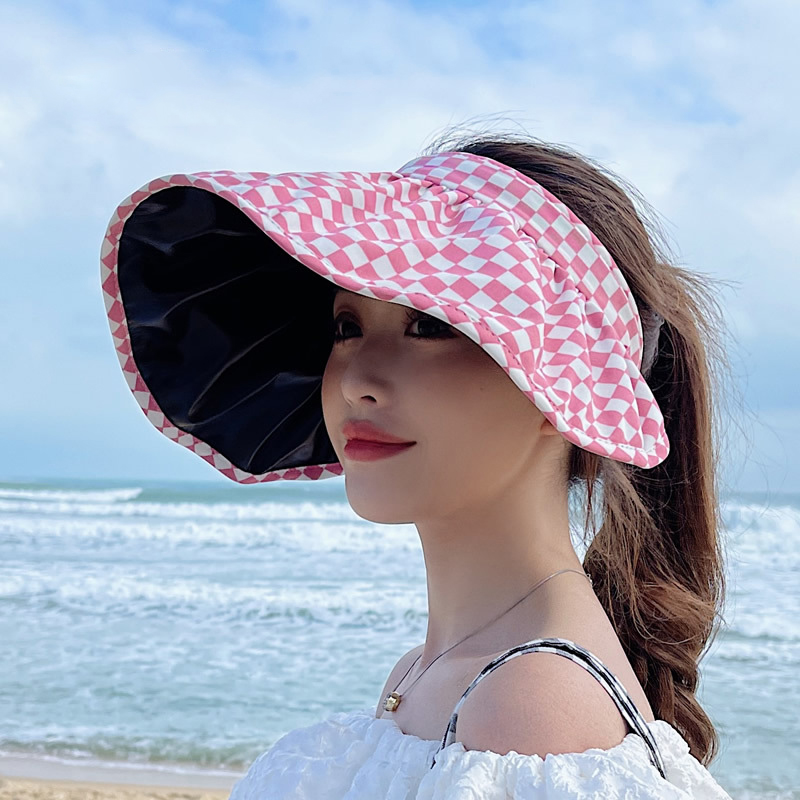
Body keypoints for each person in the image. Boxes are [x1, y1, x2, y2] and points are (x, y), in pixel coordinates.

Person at [100, 130, 735, 798]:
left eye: (430, 325)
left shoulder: (528, 704)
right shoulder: (427, 675)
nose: (357, 382)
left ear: (564, 383)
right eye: (347, 328)